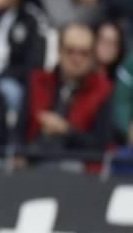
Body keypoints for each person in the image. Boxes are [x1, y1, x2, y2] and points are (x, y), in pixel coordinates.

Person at [23, 22, 112, 153]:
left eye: (84, 53)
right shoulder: (38, 81)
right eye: (70, 51)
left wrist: (66, 131)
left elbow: (101, 145)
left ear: (93, 56)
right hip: (32, 158)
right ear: (59, 51)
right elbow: (19, 130)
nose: (76, 59)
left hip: (77, 163)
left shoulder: (103, 90)